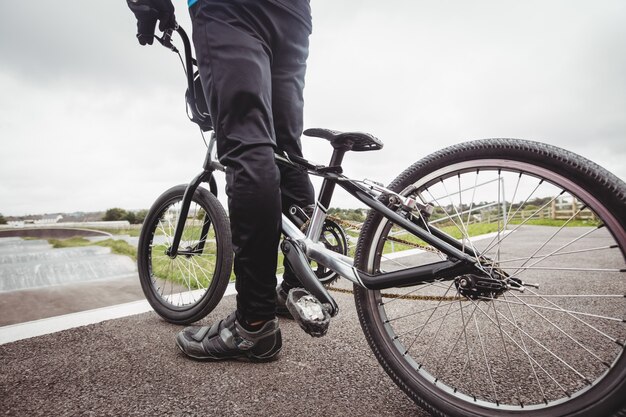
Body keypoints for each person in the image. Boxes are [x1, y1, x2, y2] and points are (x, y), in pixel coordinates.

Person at [127, 0, 315, 361]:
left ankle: (253, 325)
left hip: (231, 9)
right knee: (287, 148)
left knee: (247, 142)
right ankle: (294, 287)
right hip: (293, 13)